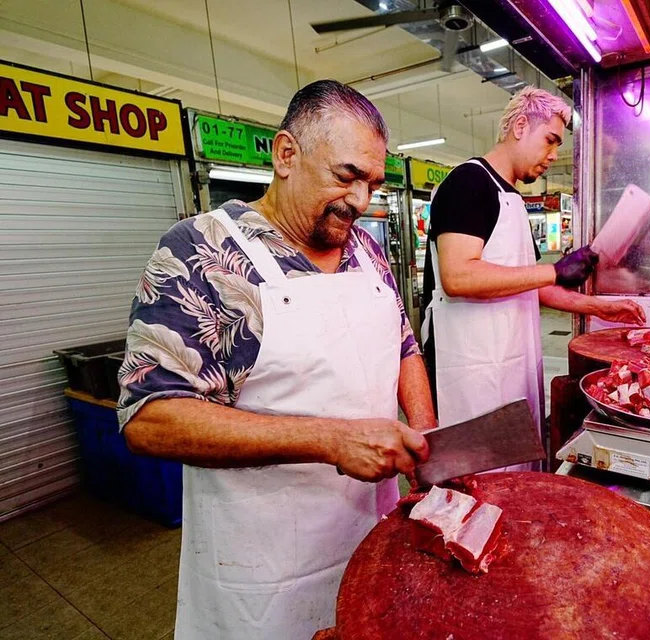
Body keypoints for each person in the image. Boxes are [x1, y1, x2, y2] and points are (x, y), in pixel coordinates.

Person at [117, 80, 434, 639]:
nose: (361, 201)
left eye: (373, 184)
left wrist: (430, 439)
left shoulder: (367, 249)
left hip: (373, 533)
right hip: (264, 566)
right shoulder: (201, 251)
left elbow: (405, 344)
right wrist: (331, 440)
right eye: (346, 177)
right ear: (286, 154)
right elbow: (148, 418)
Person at [421, 87, 646, 453]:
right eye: (550, 140)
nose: (554, 154)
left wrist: (602, 308)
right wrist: (554, 271)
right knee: (479, 470)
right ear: (521, 126)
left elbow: (526, 282)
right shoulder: (467, 183)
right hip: (468, 364)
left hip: (509, 356)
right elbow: (458, 276)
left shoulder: (511, 198)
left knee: (513, 463)